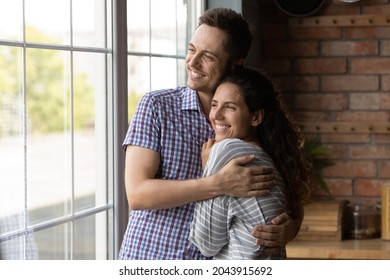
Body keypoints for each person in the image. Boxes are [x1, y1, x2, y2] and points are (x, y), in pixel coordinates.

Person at [118, 7, 302, 260]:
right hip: (152, 259)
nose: (193, 62)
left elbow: (288, 183)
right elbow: (137, 194)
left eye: (208, 57)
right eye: (192, 50)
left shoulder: (245, 121)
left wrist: (290, 227)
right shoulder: (156, 106)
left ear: (235, 65)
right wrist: (217, 183)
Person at [189, 66, 311, 259]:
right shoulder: (272, 155)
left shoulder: (227, 150)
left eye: (230, 107)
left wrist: (210, 170)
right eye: (214, 104)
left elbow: (206, 243)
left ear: (256, 117)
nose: (216, 115)